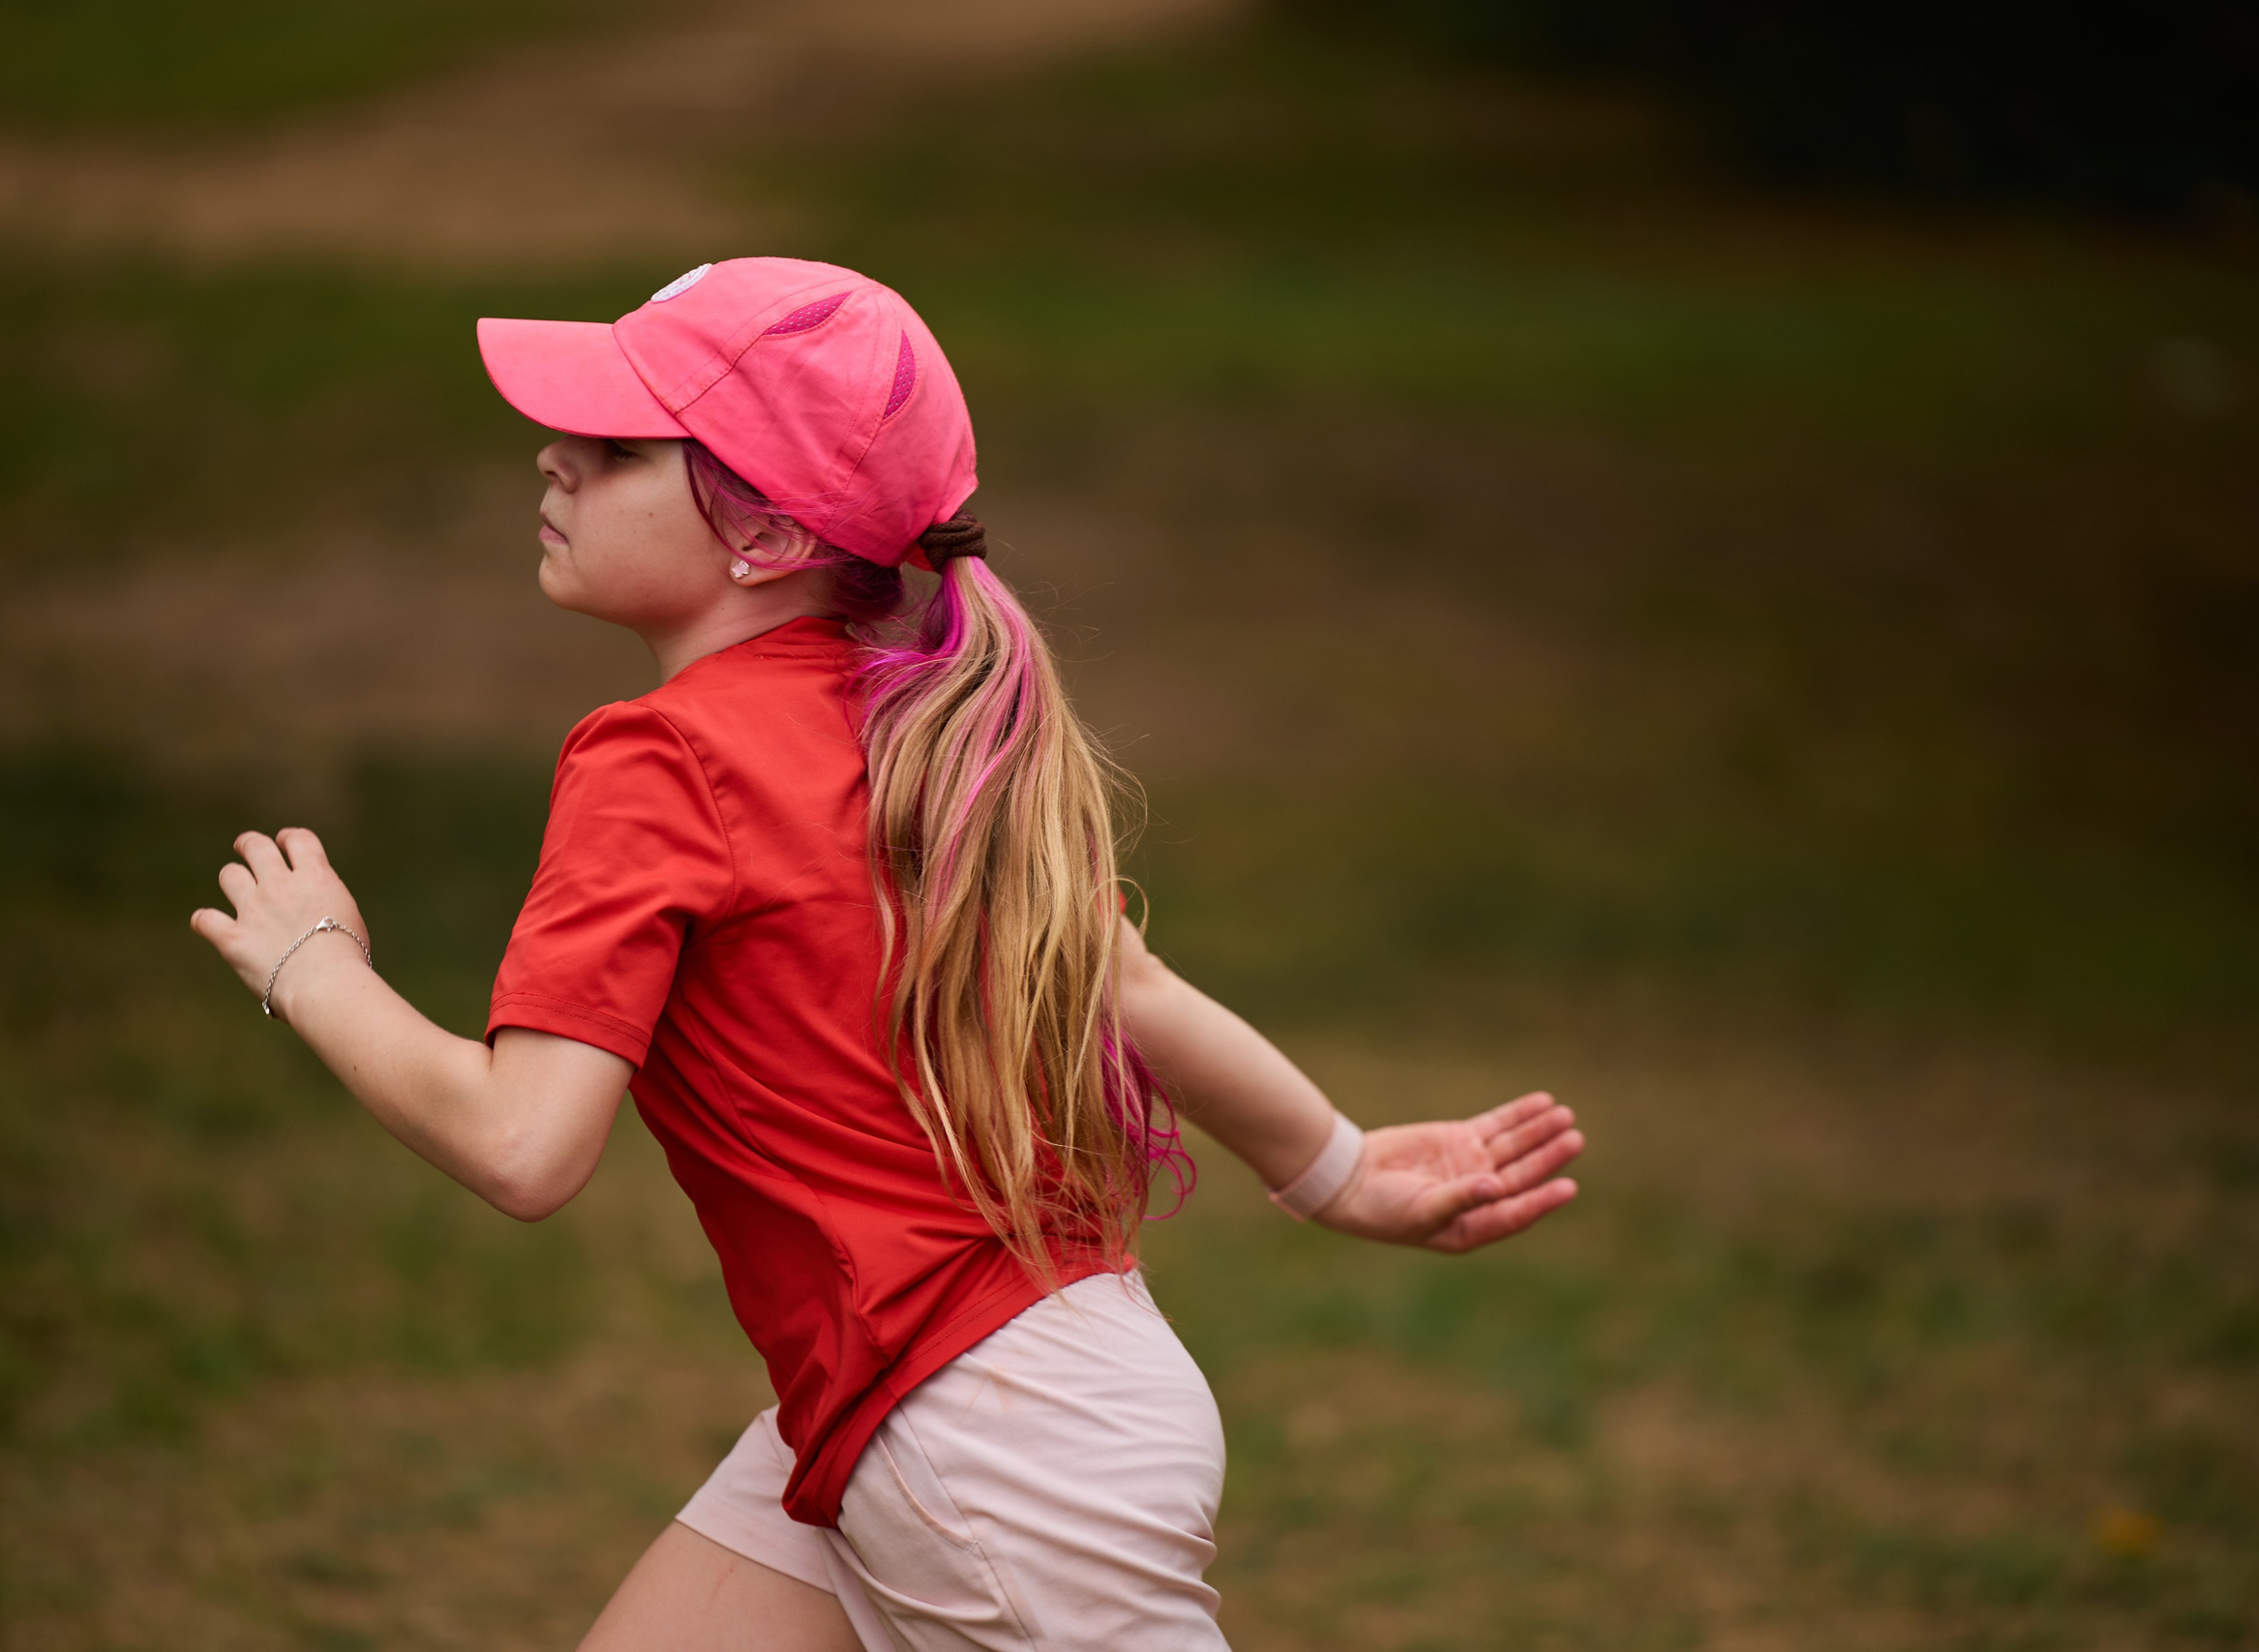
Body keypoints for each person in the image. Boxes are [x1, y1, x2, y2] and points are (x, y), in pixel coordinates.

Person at [190, 256, 1584, 1651]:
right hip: (989, 1395)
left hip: (985, 1442)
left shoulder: (661, 758)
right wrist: (1342, 1169)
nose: (555, 457)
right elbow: (1131, 987)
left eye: (619, 448)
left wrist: (314, 968)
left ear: (765, 531)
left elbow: (522, 1146)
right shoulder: (936, 735)